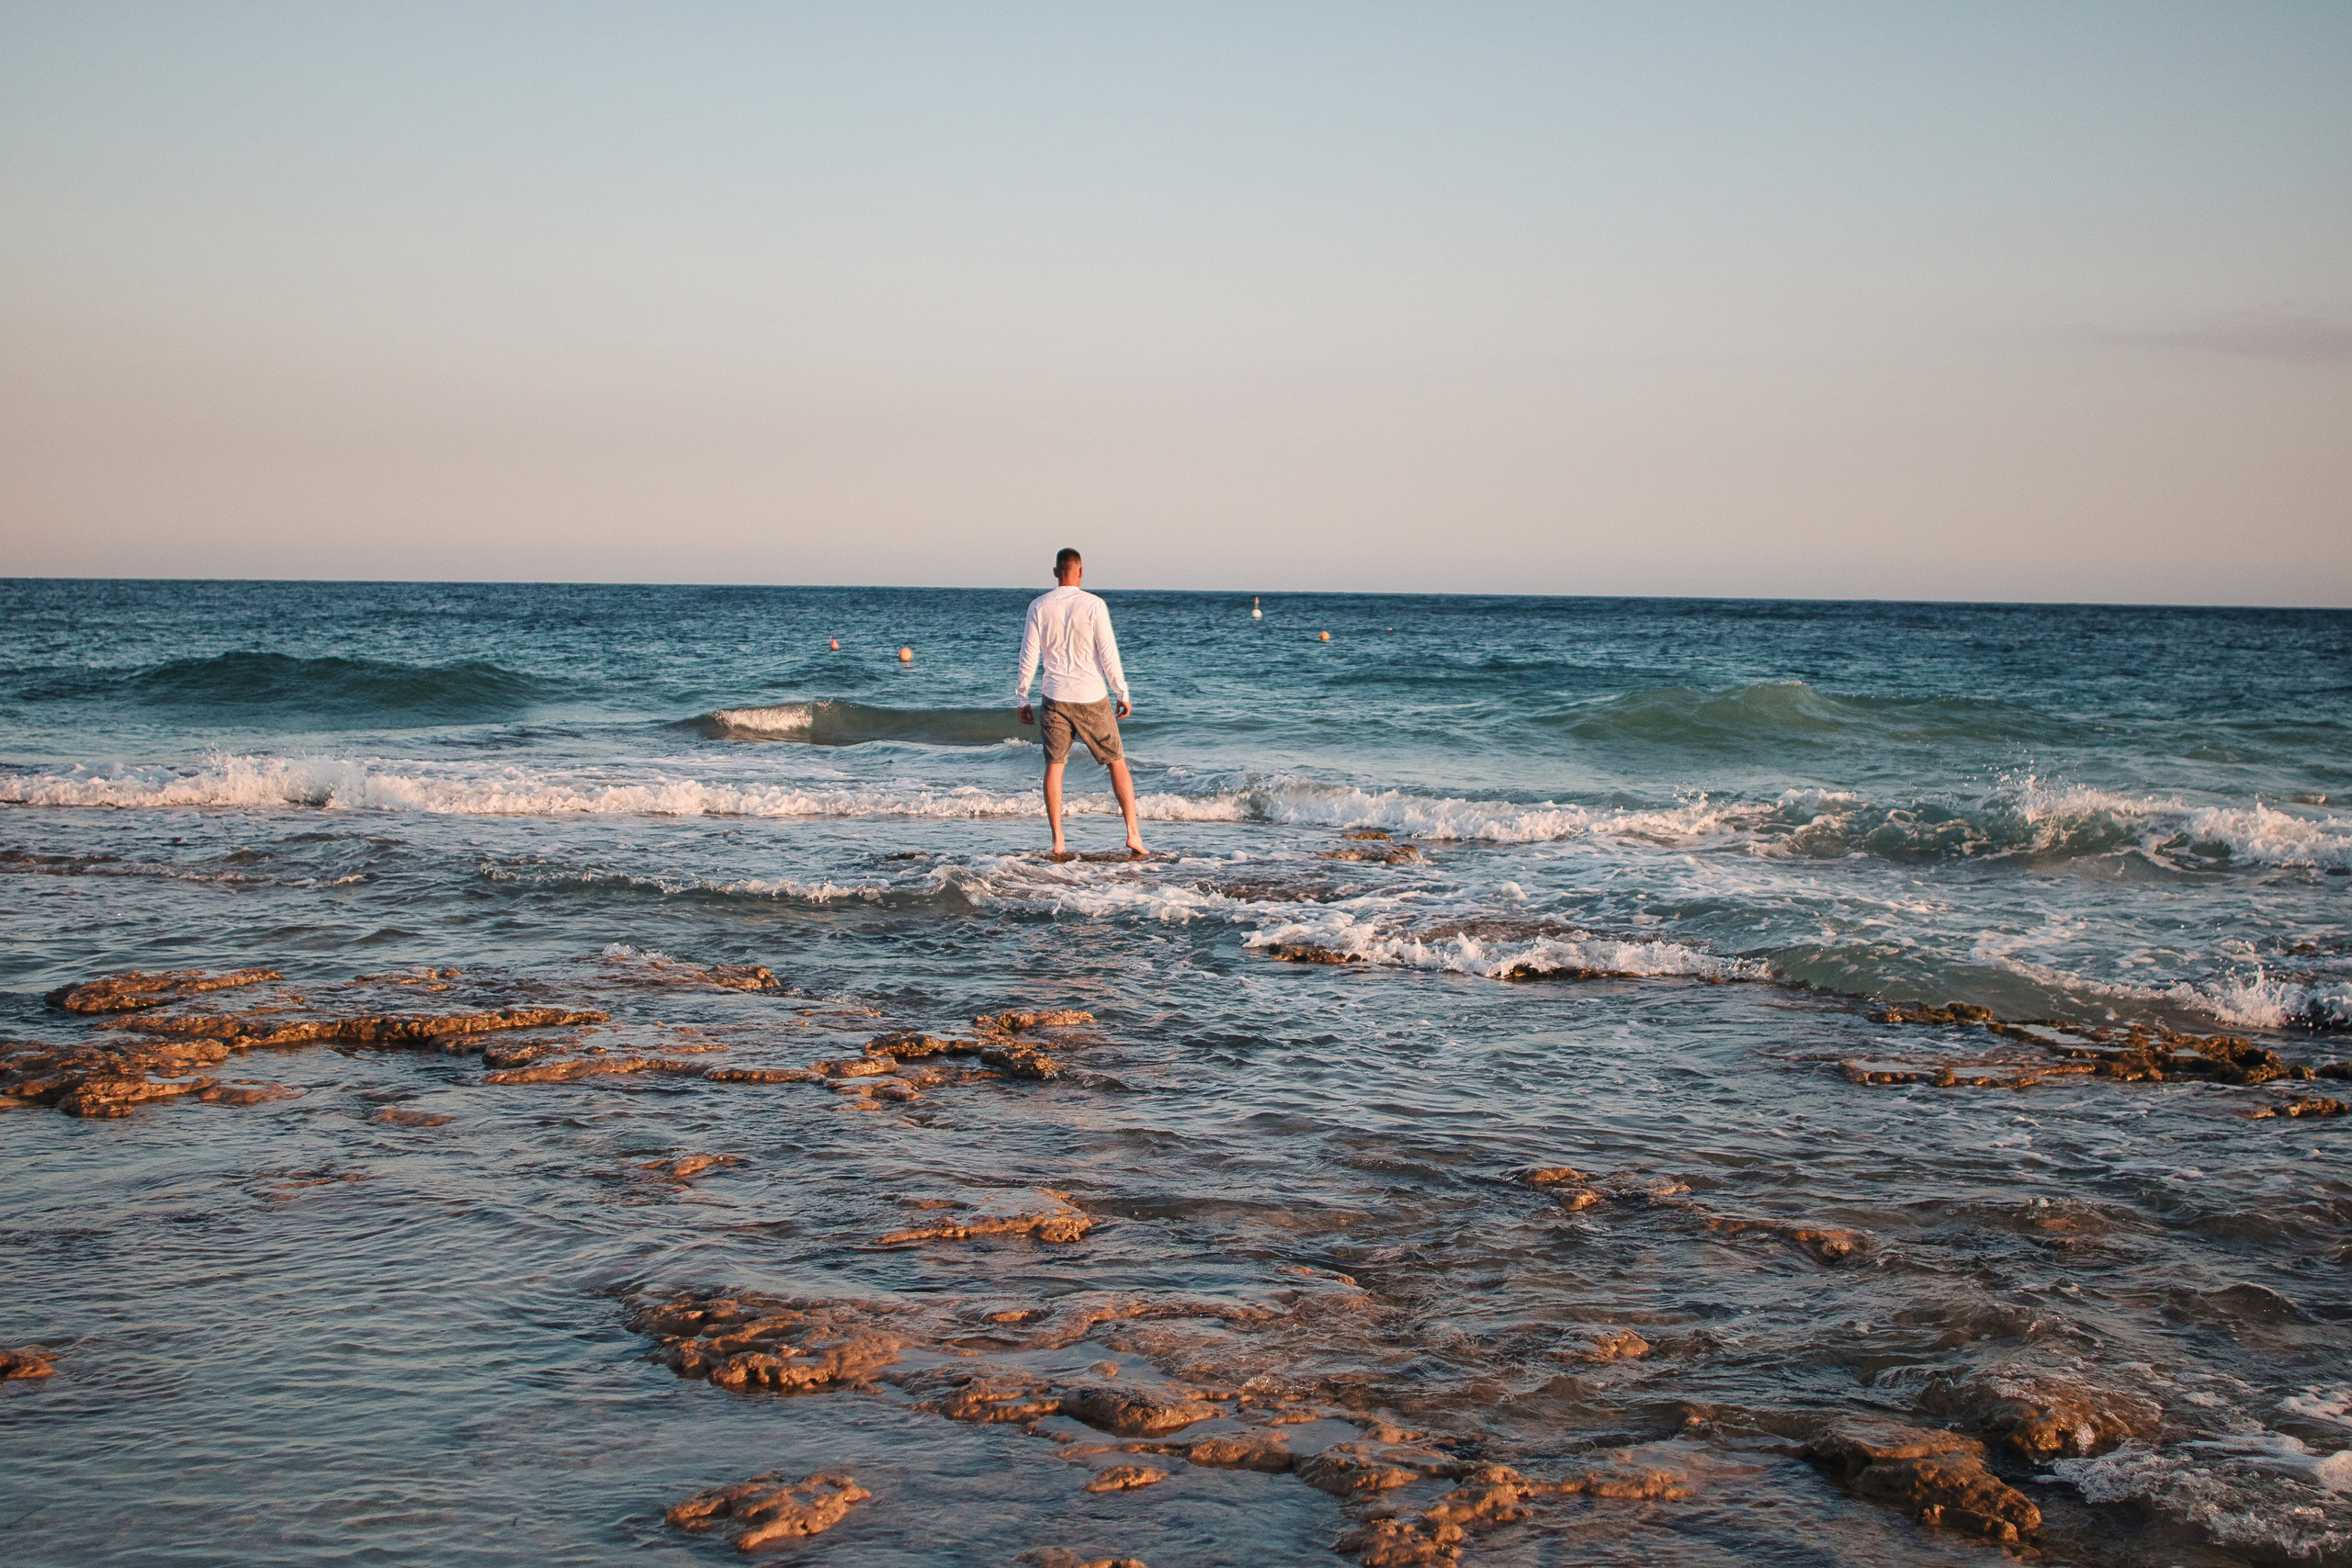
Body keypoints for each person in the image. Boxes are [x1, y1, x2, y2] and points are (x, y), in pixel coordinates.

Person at [1015, 547, 1144, 858]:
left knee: (1055, 766)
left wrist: (1022, 696)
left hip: (1055, 696)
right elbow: (1108, 653)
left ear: (1056, 571)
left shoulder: (1039, 606)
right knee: (1117, 762)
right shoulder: (1094, 605)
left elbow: (1028, 655)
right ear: (1081, 571)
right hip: (1090, 696)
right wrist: (1121, 692)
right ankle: (1133, 834)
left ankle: (1058, 840)